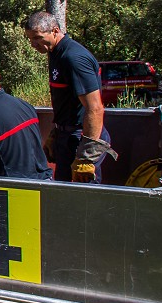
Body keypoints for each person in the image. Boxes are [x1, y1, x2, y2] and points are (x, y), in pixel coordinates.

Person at [23, 11, 114, 183]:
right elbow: (66, 102)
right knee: (63, 189)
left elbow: (95, 108)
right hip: (66, 135)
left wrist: (86, 156)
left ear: (55, 31)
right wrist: (56, 132)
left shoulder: (73, 58)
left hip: (82, 137)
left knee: (82, 193)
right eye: (30, 39)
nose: (33, 44)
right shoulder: (55, 53)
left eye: (37, 38)